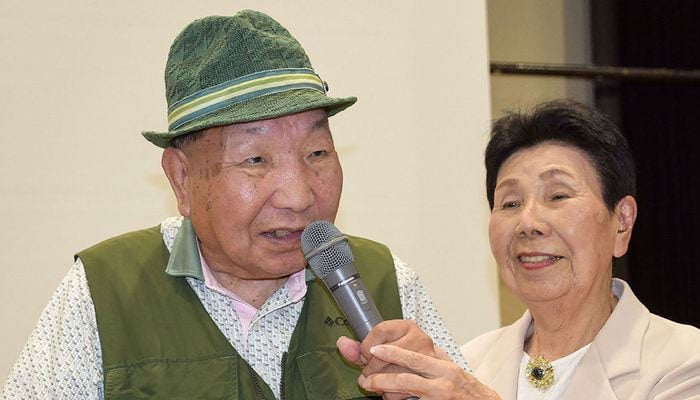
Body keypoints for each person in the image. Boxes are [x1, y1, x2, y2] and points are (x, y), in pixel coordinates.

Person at [1, 10, 466, 400]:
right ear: (181, 178)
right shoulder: (103, 292)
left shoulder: (387, 280)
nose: (299, 195)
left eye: (317, 154)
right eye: (256, 160)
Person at [338, 99, 700, 399]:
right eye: (510, 203)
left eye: (557, 196)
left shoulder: (683, 363)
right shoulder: (469, 364)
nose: (528, 223)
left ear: (621, 221)